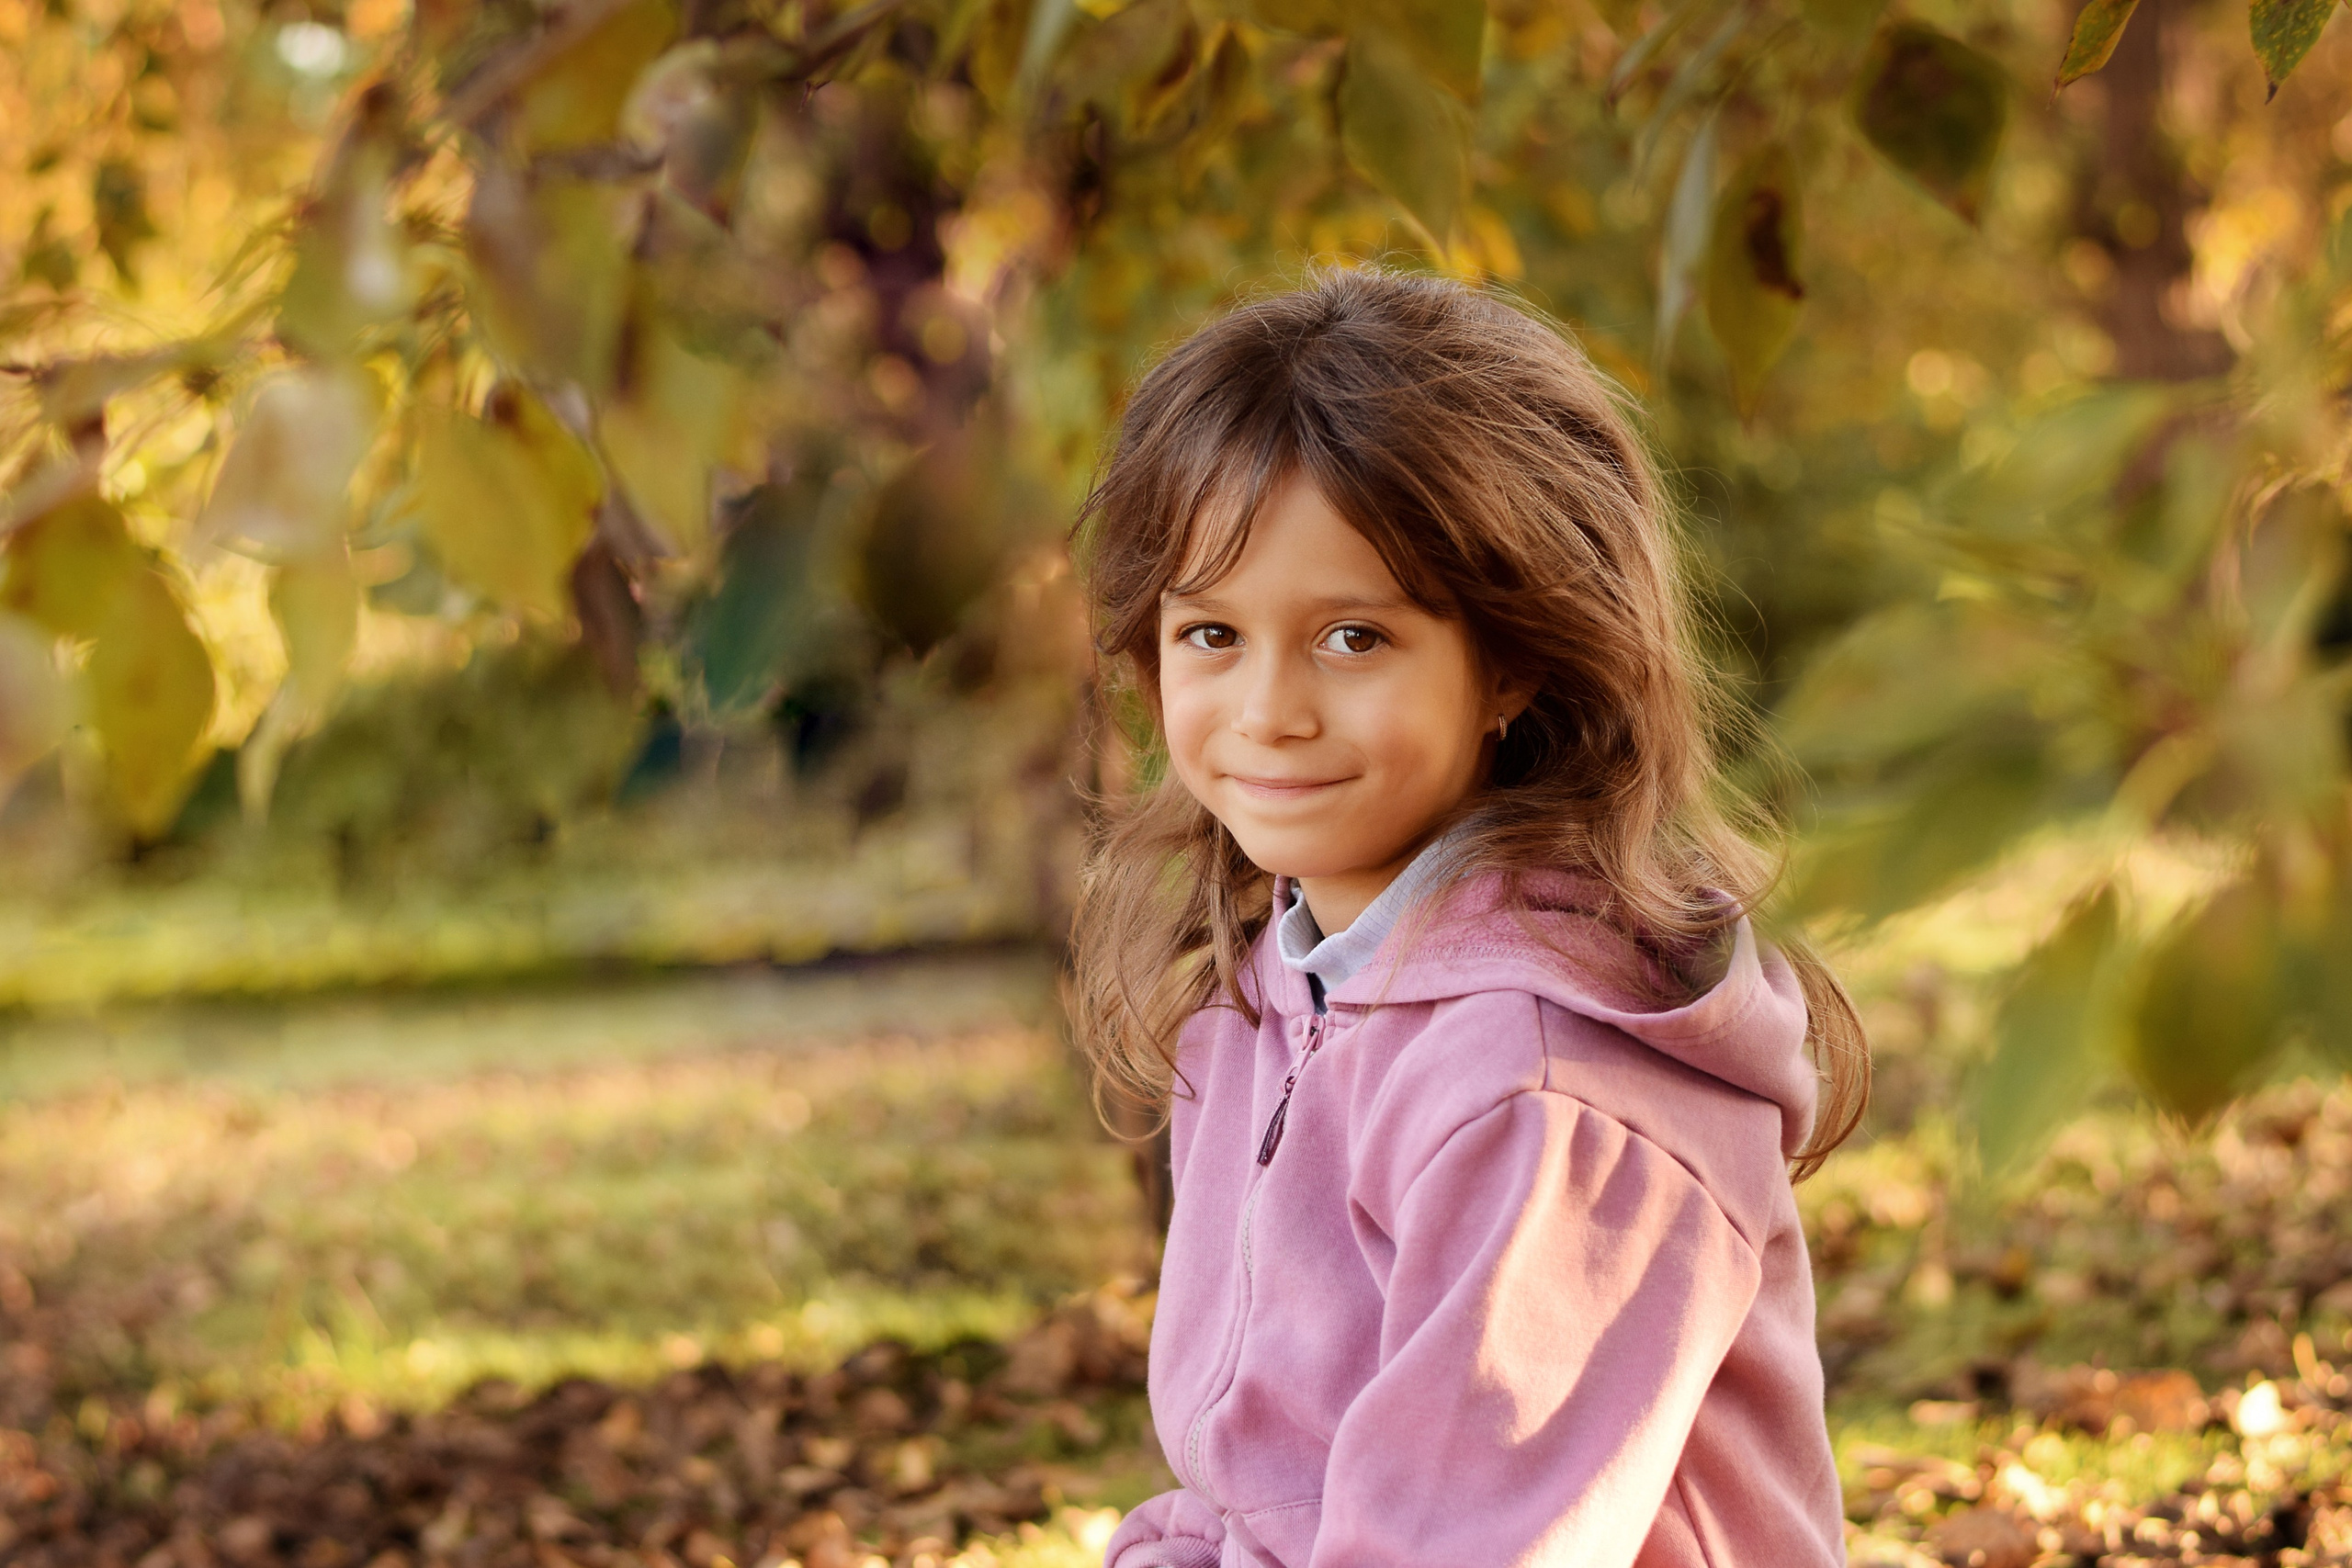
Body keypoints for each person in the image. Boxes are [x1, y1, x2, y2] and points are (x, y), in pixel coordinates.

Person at [1067, 267, 1870, 1568]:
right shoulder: (1273, 991)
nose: (1267, 710)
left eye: (1353, 640)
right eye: (1211, 633)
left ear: (1511, 661)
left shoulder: (1541, 1087)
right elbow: (1247, 1488)